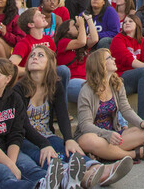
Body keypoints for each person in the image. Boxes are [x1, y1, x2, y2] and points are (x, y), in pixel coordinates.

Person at [16, 46, 130, 189]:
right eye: (32, 55)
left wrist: (69, 139)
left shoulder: (55, 85)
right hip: (24, 138)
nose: (34, 57)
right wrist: (43, 144)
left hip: (46, 134)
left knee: (67, 148)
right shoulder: (19, 89)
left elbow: (62, 114)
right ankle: (77, 176)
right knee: (45, 154)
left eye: (40, 55)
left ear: (50, 63)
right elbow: (23, 124)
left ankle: (97, 169)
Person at [0, 58, 72, 189]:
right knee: (4, 174)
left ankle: (62, 182)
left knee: (31, 169)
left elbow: (16, 134)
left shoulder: (14, 99)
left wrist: (12, 161)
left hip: (5, 151)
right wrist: (10, 165)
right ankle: (39, 187)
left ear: (8, 79)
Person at [75, 49, 144, 163]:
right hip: (96, 136)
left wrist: (140, 122)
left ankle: (104, 154)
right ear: (100, 64)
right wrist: (107, 134)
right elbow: (85, 125)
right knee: (87, 140)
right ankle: (131, 154)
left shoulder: (117, 83)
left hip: (114, 133)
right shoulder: (86, 91)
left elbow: (126, 109)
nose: (114, 59)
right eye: (109, 58)